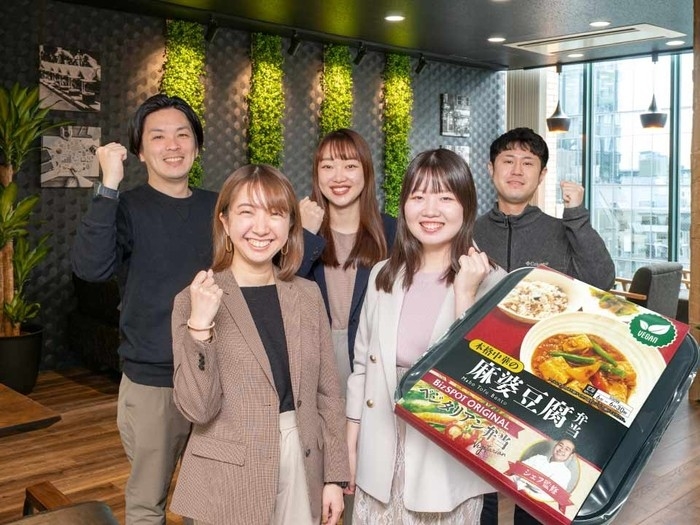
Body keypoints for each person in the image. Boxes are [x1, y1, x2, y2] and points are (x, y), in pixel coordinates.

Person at [169, 164, 350, 525]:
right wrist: (200, 327)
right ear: (225, 221)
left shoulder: (307, 294)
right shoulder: (194, 299)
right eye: (247, 212)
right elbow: (198, 410)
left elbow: (328, 392)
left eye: (275, 213)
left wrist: (334, 476)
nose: (262, 227)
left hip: (303, 457)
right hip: (229, 473)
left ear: (290, 225)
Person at [71, 94, 218, 525]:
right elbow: (91, 269)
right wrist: (108, 185)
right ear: (139, 150)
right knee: (147, 505)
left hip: (215, 375)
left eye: (182, 135)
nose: (172, 145)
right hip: (154, 380)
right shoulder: (126, 206)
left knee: (209, 503)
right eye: (158, 136)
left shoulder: (218, 207)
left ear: (197, 145)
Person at [346, 148, 506, 524]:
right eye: (418, 197)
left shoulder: (493, 280)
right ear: (404, 206)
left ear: (466, 206)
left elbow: (482, 384)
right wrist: (350, 442)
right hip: (379, 449)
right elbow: (362, 365)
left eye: (445, 198)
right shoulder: (383, 274)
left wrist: (465, 295)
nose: (430, 210)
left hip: (445, 461)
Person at [298, 128, 397, 385]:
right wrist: (305, 236)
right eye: (327, 166)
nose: (338, 177)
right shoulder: (298, 230)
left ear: (366, 171)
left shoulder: (393, 231)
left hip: (373, 361)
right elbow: (283, 292)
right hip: (312, 360)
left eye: (350, 165)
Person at [474, 127, 615, 290]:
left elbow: (601, 282)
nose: (517, 171)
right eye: (508, 161)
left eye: (527, 163)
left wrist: (576, 215)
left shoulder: (564, 232)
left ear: (542, 174)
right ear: (491, 169)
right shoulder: (469, 233)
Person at [511, 439, 577, 525]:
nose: (562, 449)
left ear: (571, 456)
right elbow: (516, 472)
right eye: (560, 445)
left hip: (539, 509)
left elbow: (549, 495)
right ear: (555, 446)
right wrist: (523, 485)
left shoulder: (565, 473)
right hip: (521, 500)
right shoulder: (538, 458)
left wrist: (525, 483)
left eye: (567, 449)